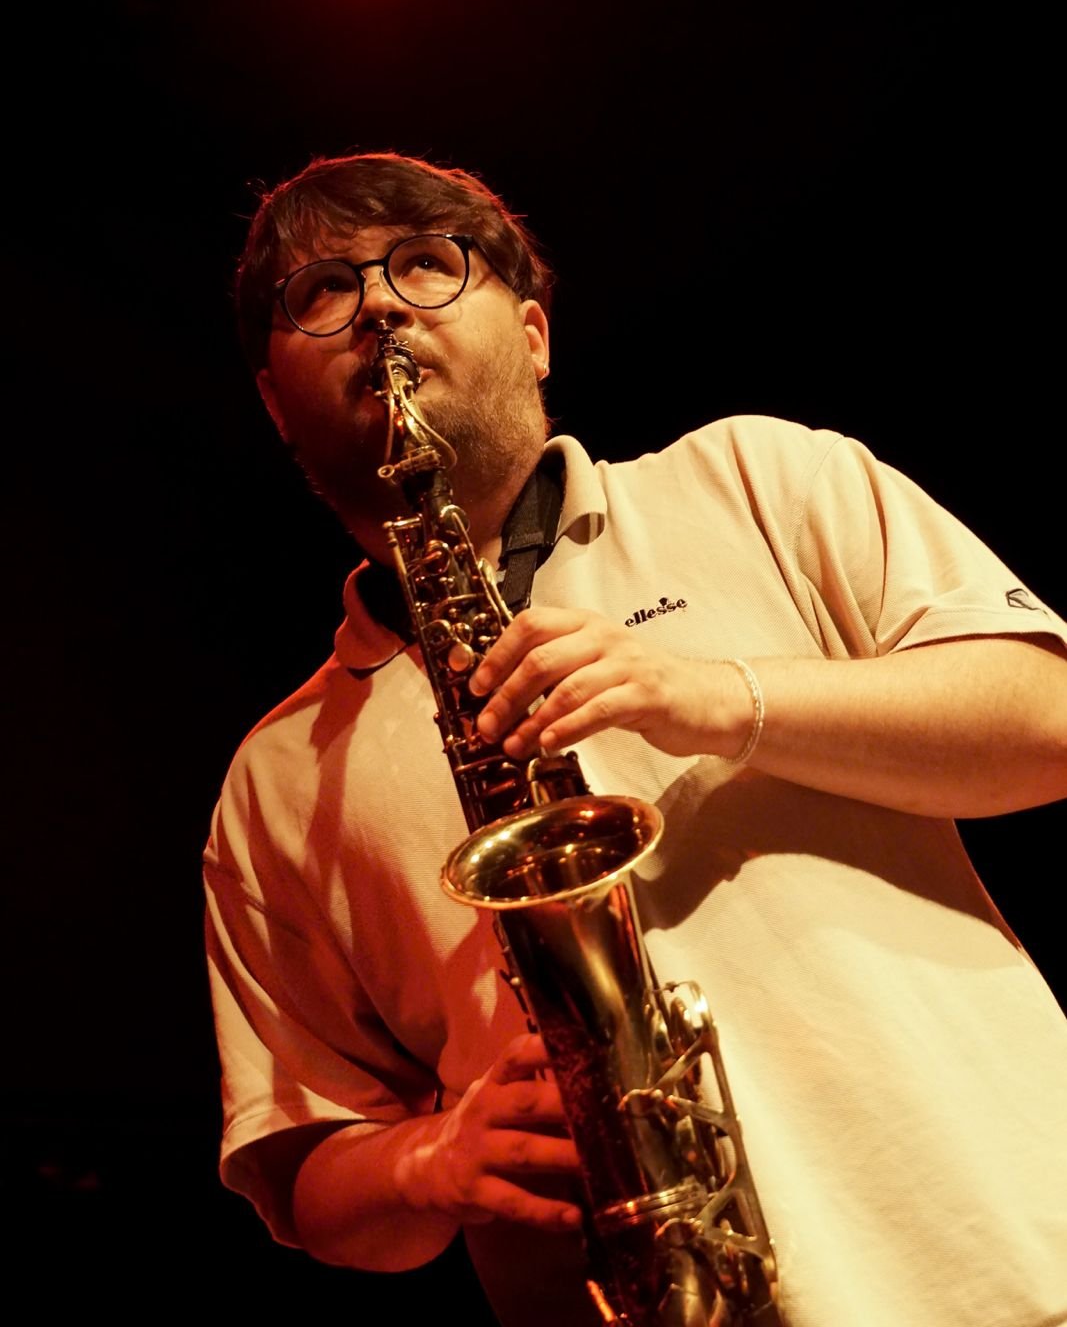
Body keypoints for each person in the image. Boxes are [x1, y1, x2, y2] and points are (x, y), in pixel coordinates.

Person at [204, 150, 1067, 1327]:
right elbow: (309, 1179)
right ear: (272, 401)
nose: (378, 307)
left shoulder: (757, 474)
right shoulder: (275, 777)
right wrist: (428, 1160)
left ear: (532, 334)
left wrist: (711, 694)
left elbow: (1043, 721)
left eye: (424, 264)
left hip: (1002, 1246)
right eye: (323, 290)